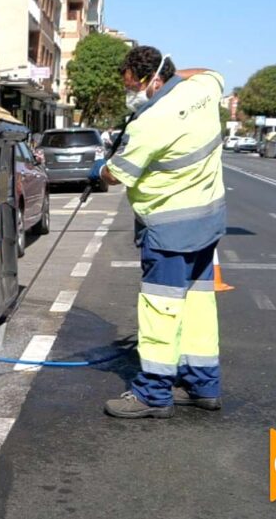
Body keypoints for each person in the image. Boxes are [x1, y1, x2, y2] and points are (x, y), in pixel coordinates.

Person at [89, 46, 225, 419]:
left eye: (132, 87)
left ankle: (153, 392)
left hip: (169, 231)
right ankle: (202, 385)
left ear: (153, 82)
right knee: (198, 306)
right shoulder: (202, 91)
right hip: (207, 223)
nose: (129, 94)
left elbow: (116, 174)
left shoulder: (151, 123)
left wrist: (98, 171)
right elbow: (209, 70)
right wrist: (178, 76)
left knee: (160, 310)